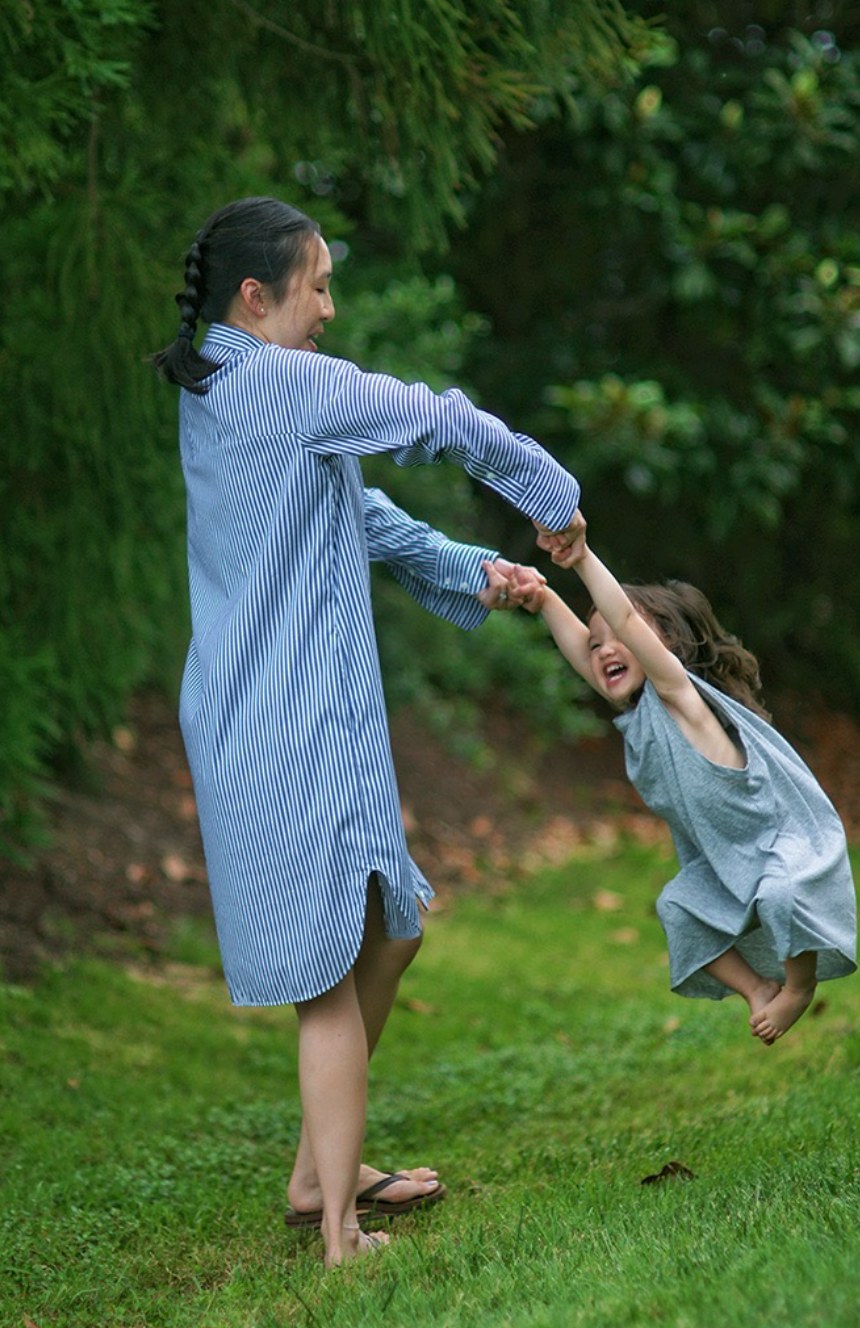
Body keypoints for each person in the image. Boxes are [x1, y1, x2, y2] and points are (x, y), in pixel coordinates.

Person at [151, 195, 586, 1266]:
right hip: (280, 725)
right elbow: (436, 415)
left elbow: (349, 508)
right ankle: (339, 1231)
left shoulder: (232, 382)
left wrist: (466, 570)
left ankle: (320, 1175)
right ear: (257, 299)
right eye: (318, 286)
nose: (331, 308)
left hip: (297, 717)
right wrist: (546, 488)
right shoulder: (271, 384)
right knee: (332, 976)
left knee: (391, 931)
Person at [525, 533, 857, 1045]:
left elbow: (629, 624)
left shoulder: (681, 699)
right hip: (722, 863)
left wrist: (584, 558)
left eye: (617, 637)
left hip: (778, 847)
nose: (604, 649)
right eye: (597, 645)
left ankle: (798, 986)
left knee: (779, 893)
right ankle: (757, 988)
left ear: (665, 648)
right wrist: (544, 597)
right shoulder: (639, 717)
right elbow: (579, 650)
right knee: (677, 907)